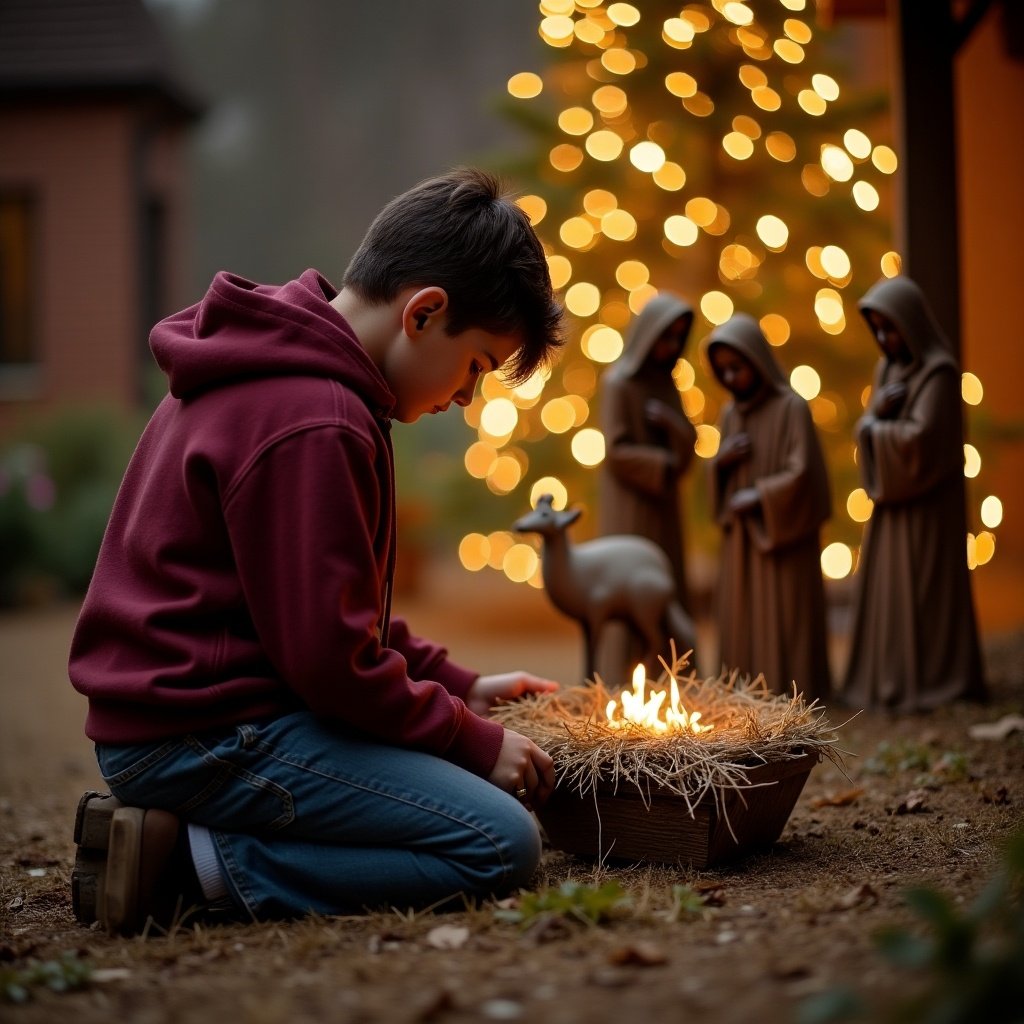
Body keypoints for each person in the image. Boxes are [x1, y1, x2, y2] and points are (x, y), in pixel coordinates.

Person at [68, 168, 566, 935]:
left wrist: (462, 685)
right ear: (425, 312)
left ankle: (191, 844)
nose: (468, 399)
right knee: (496, 842)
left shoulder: (289, 372)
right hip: (203, 739)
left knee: (473, 813)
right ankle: (193, 864)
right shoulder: (316, 419)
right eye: (474, 368)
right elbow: (333, 662)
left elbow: (334, 613)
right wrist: (471, 742)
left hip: (194, 722)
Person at [842, 276, 986, 712]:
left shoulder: (939, 373)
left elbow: (922, 442)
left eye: (892, 328)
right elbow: (867, 426)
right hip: (891, 508)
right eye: (878, 330)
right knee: (890, 594)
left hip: (927, 511)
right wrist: (874, 423)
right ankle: (890, 678)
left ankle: (932, 680)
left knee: (925, 594)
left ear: (912, 323)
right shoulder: (886, 369)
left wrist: (876, 427)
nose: (885, 339)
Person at [705, 313, 832, 702]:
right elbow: (717, 484)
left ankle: (791, 687)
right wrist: (720, 463)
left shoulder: (792, 407)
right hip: (744, 538)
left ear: (757, 360)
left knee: (785, 612)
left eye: (737, 368)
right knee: (744, 611)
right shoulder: (731, 413)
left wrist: (760, 495)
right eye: (722, 371)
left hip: (781, 535)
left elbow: (803, 471)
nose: (729, 379)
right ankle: (743, 689)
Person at [596, 292, 698, 682]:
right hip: (632, 506)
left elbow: (687, 442)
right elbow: (616, 450)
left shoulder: (667, 383)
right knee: (629, 584)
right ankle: (624, 674)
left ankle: (672, 674)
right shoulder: (619, 383)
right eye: (664, 337)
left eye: (677, 338)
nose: (670, 347)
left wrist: (674, 430)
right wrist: (663, 464)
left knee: (665, 582)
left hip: (664, 506)